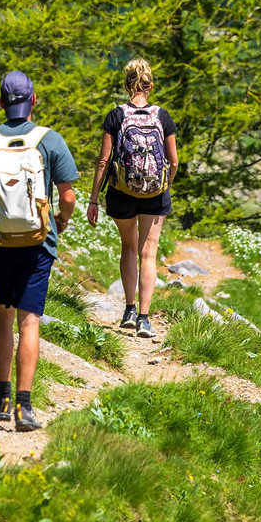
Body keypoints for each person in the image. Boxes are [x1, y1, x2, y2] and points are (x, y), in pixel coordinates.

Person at [0, 68, 78, 432]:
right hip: (38, 242)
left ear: (0, 103)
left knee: (2, 314)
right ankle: (25, 408)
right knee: (30, 320)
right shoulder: (50, 139)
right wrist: (60, 219)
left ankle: (1, 397)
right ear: (33, 101)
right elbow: (68, 196)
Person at [88, 56, 177, 340]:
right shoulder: (163, 117)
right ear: (150, 86)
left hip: (121, 192)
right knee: (148, 253)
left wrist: (93, 200)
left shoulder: (115, 116)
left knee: (129, 248)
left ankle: (128, 310)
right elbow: (173, 162)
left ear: (128, 85)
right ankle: (144, 319)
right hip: (155, 193)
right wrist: (164, 185)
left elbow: (104, 161)